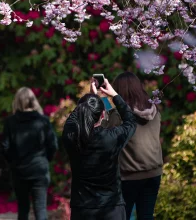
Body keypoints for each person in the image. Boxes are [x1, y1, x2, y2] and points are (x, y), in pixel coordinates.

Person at [62, 76, 137, 220]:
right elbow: (131, 121)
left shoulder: (71, 137)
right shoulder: (112, 137)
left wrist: (89, 100)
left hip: (83, 209)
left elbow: (73, 119)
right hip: (112, 208)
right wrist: (114, 95)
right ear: (103, 115)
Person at [106, 72, 163, 220]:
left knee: (122, 216)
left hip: (129, 175)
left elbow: (104, 126)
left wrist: (103, 97)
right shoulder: (155, 111)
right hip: (154, 172)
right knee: (146, 216)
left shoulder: (118, 115)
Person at [1, 87, 58, 220]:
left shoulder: (10, 122)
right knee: (40, 209)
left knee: (23, 210)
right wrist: (45, 160)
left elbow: (5, 147)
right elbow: (53, 145)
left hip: (19, 171)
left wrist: (13, 162)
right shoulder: (43, 121)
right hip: (39, 169)